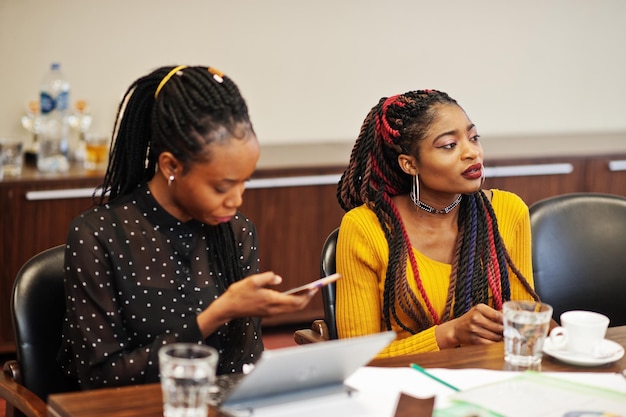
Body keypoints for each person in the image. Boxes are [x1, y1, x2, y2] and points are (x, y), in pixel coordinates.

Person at [59, 65, 316, 389]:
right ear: (171, 166)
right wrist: (217, 313)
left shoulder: (236, 233)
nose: (236, 200)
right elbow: (101, 380)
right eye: (222, 187)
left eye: (244, 183)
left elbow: (244, 364)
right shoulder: (98, 236)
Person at [335, 89, 540, 357]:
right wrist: (449, 334)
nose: (472, 153)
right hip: (403, 387)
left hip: (488, 380)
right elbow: (357, 357)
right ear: (409, 164)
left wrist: (542, 332)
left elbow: (523, 326)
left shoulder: (507, 212)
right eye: (448, 145)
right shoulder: (365, 228)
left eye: (473, 137)